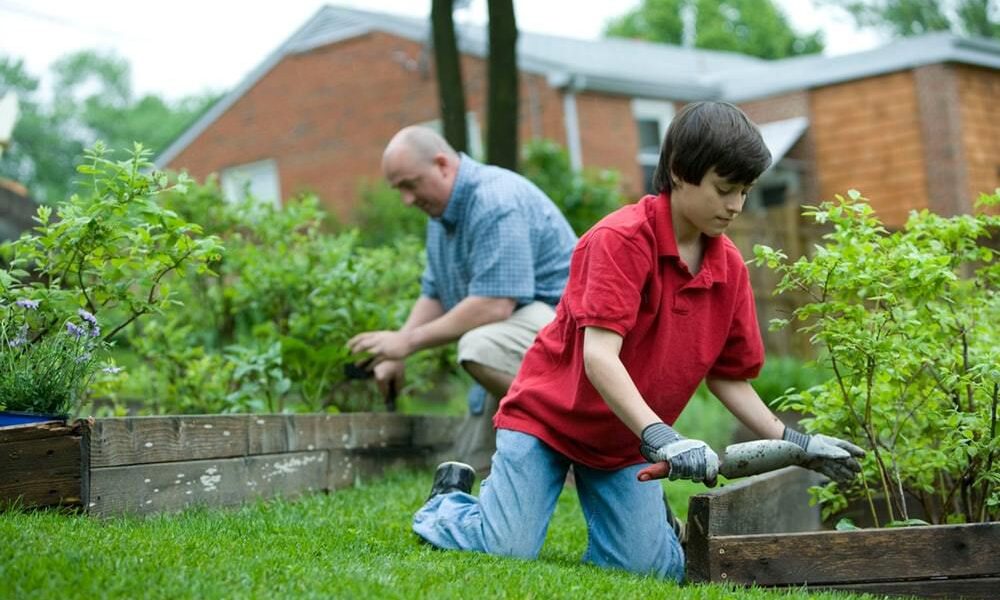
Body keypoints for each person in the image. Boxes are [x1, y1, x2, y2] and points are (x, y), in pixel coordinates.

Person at [411, 102, 865, 581]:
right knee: (505, 548)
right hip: (547, 422)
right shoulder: (619, 241)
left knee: (648, 570)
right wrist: (665, 438)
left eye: (745, 192)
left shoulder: (728, 268)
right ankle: (449, 502)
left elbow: (729, 379)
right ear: (678, 172)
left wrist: (800, 443)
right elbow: (600, 357)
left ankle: (650, 528)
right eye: (724, 189)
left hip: (625, 441)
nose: (735, 205)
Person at [347, 126, 578, 472]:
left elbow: (494, 304)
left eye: (410, 185)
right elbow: (435, 292)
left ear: (442, 164)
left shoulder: (494, 200)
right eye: (399, 190)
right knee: (470, 466)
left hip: (569, 337)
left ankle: (576, 442)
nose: (407, 200)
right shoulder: (441, 216)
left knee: (479, 347)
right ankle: (542, 453)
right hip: (520, 339)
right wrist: (394, 352)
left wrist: (408, 342)